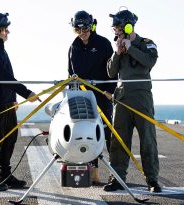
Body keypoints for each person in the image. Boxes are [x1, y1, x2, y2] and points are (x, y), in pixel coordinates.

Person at [103, 9, 162, 193]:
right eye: (115, 29)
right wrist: (117, 53)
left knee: (148, 140)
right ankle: (117, 177)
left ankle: (152, 180)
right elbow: (111, 73)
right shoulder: (118, 47)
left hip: (141, 99)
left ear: (128, 26)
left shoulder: (146, 44)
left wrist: (131, 48)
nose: (117, 32)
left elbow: (149, 62)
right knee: (118, 140)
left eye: (119, 28)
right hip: (121, 100)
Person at [0, 11, 40, 191]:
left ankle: (5, 174)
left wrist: (13, 99)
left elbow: (9, 75)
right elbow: (4, 77)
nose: (8, 32)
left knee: (10, 139)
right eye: (5, 29)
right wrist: (27, 93)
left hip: (6, 103)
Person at [68, 10, 115, 185]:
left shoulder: (103, 44)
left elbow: (113, 71)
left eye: (85, 28)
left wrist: (111, 90)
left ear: (91, 25)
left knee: (107, 132)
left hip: (103, 95)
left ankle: (115, 172)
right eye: (77, 29)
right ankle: (92, 172)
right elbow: (70, 73)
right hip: (83, 97)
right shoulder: (73, 46)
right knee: (87, 133)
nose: (82, 32)